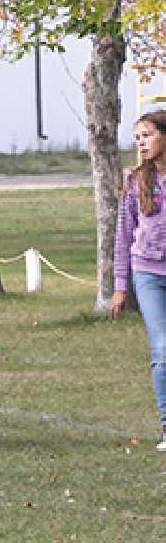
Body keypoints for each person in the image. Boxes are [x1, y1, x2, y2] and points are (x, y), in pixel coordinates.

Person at [110, 110, 166, 451]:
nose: (141, 143)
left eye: (147, 135)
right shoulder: (136, 183)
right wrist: (120, 286)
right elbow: (123, 235)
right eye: (137, 138)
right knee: (162, 350)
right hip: (148, 274)